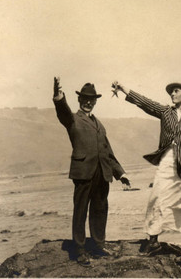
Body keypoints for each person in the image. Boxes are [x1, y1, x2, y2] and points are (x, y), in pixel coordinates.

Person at [112, 81, 181, 255]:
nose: (172, 95)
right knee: (156, 198)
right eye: (171, 92)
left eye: (176, 91)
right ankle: (153, 241)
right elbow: (144, 102)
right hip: (166, 160)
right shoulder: (165, 112)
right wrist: (123, 88)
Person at [53, 77, 131, 266]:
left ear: (95, 101)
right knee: (80, 211)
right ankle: (79, 250)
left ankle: (97, 246)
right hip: (83, 172)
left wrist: (120, 173)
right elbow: (63, 113)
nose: (88, 102)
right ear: (79, 100)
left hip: (102, 173)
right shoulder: (73, 120)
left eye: (92, 99)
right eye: (85, 99)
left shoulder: (100, 125)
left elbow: (108, 151)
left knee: (100, 209)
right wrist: (58, 98)